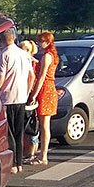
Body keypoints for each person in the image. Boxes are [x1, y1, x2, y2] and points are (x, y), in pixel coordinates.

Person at [0, 30, 35, 173]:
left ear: (1, 41)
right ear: (14, 38)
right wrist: (27, 92)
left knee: (9, 132)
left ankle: (13, 164)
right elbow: (31, 76)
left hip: (7, 97)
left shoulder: (4, 55)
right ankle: (19, 163)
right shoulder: (24, 54)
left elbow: (1, 79)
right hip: (21, 97)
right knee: (19, 132)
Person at [25, 32, 58, 165]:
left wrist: (34, 95)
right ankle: (42, 154)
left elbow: (42, 76)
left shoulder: (47, 56)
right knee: (45, 124)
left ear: (48, 42)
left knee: (44, 125)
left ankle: (43, 156)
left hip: (45, 90)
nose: (39, 43)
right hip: (49, 88)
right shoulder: (51, 55)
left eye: (41, 41)